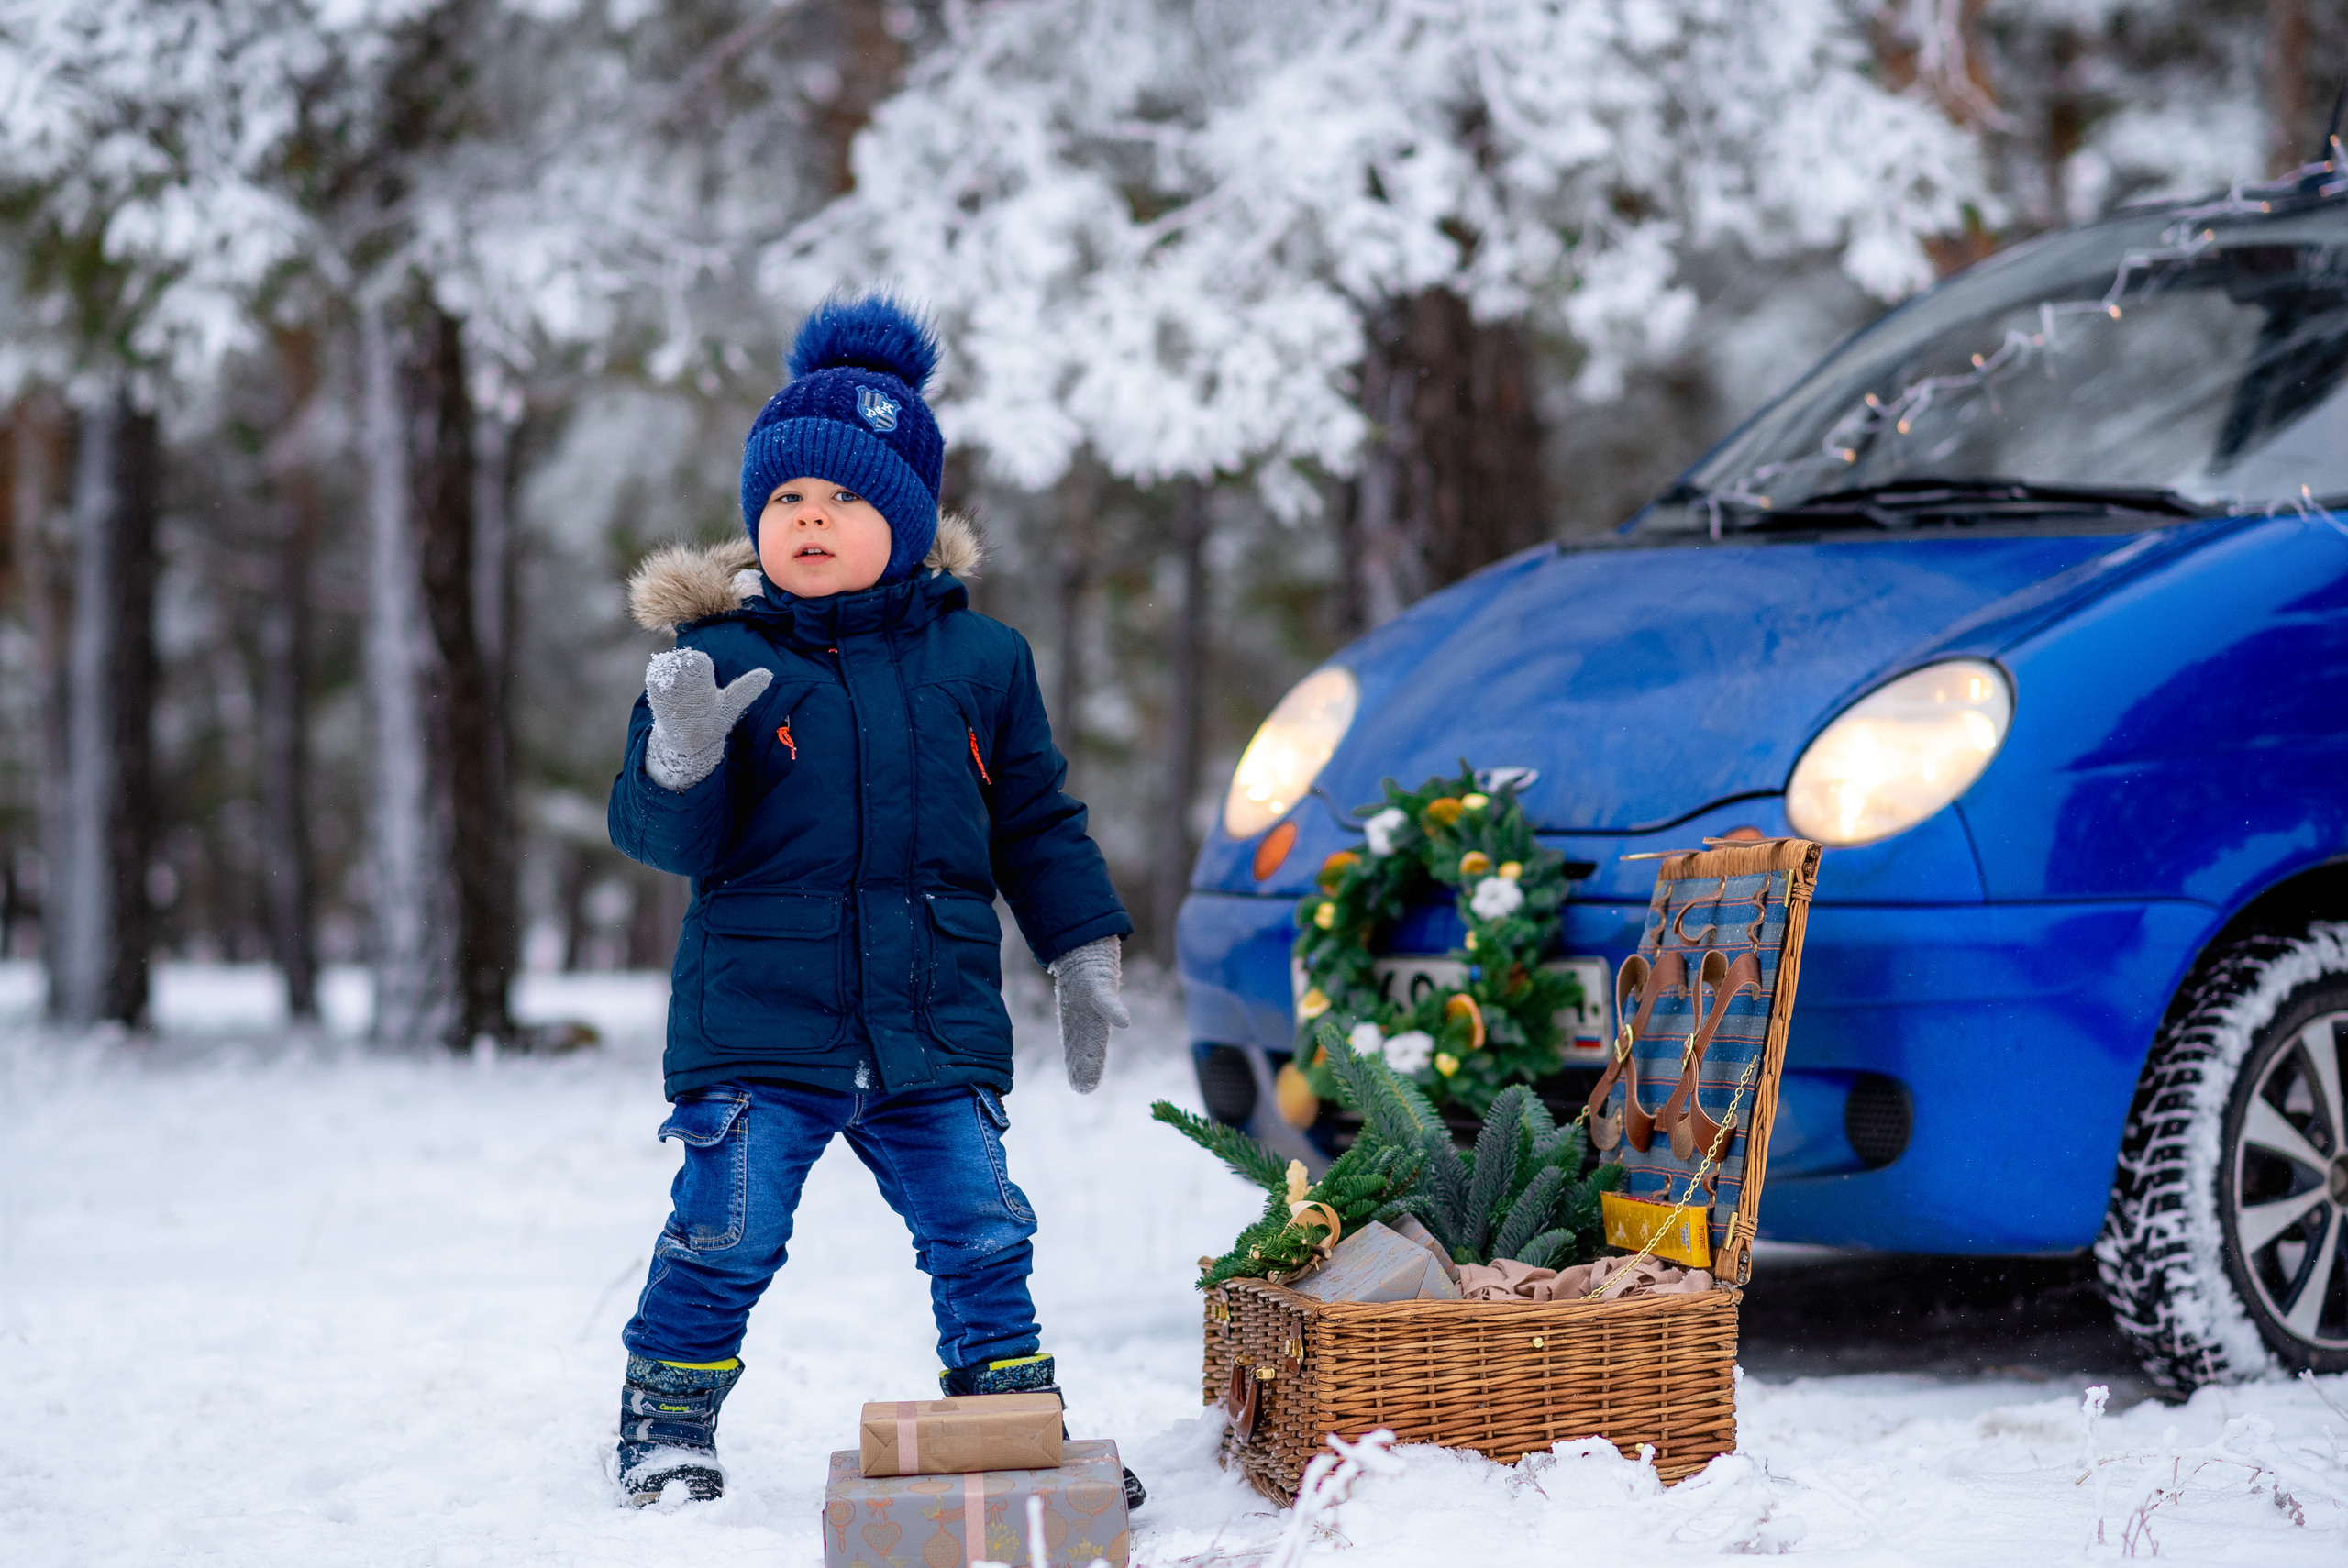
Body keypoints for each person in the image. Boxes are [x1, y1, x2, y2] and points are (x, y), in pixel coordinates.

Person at [604, 295, 1135, 1507]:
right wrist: (681, 751)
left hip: (929, 1015)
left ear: (904, 521)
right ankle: (668, 1407)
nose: (809, 517)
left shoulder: (983, 663)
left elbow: (1036, 821)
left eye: (843, 498)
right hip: (761, 1017)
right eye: (787, 498)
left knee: (985, 1224)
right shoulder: (717, 655)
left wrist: (1082, 946)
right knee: (727, 1229)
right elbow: (659, 833)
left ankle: (1007, 1413)